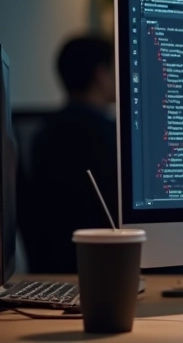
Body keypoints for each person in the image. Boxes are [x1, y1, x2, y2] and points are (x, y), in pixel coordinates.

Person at [18, 35, 118, 273]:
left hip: (54, 266)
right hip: (110, 263)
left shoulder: (42, 135)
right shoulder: (111, 135)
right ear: (101, 74)